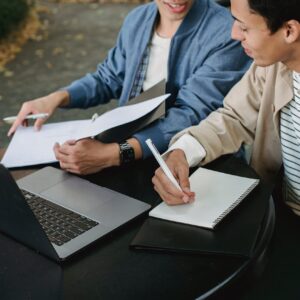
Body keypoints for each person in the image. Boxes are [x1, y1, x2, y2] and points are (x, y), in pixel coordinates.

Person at [7, 0, 250, 175]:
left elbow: (192, 114)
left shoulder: (227, 31)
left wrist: (112, 154)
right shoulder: (138, 19)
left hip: (190, 163)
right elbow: (108, 78)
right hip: (124, 151)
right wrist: (56, 98)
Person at [152, 0, 300, 214]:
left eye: (244, 27)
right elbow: (234, 117)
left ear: (289, 30)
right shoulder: (273, 66)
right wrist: (182, 152)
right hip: (276, 209)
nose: (235, 35)